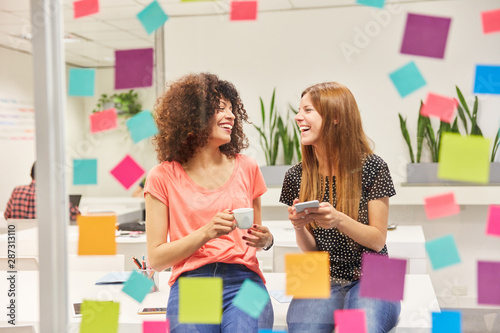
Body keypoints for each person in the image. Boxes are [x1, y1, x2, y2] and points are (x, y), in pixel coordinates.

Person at [144, 73, 274, 332]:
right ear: (193, 116)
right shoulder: (163, 176)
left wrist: (266, 240)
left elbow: (257, 238)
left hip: (246, 281)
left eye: (232, 108)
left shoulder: (247, 167)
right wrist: (206, 232)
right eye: (220, 108)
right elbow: (157, 259)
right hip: (194, 281)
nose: (232, 115)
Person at [280, 82, 400, 333]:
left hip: (377, 272)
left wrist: (338, 220)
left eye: (308, 110)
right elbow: (311, 251)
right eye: (299, 110)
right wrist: (299, 227)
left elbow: (377, 240)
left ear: (335, 117)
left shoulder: (373, 167)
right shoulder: (296, 176)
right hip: (316, 271)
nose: (298, 117)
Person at [4, 162, 79, 220]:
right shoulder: (53, 193)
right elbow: (75, 215)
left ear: (31, 174)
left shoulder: (17, 191)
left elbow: (6, 216)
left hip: (17, 239)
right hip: (44, 239)